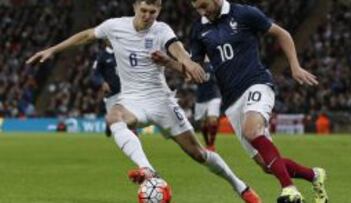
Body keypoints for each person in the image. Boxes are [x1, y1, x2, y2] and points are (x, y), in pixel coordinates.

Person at [26, 0, 261, 202]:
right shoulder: (115, 26)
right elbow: (87, 35)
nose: (148, 16)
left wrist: (186, 61)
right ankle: (147, 169)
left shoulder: (161, 30)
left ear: (159, 10)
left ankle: (241, 186)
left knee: (198, 153)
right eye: (144, 10)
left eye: (153, 11)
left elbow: (175, 47)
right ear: (135, 7)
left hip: (162, 101)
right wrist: (53, 50)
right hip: (132, 100)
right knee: (114, 117)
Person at [187, 0, 328, 202]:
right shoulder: (199, 29)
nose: (202, 11)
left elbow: (282, 34)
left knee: (251, 130)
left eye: (204, 5)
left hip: (257, 83)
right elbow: (195, 68)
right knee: (265, 164)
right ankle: (314, 175)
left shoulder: (244, 13)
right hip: (231, 100)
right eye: (197, 8)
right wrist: (174, 63)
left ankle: (289, 189)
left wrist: (295, 66)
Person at [90, 44, 121, 137]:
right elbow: (94, 74)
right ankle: (109, 123)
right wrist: (102, 82)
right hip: (112, 92)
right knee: (113, 120)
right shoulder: (102, 56)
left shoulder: (123, 51)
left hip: (126, 90)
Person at [194, 59, 221, 151]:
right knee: (202, 124)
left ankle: (211, 144)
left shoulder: (215, 61)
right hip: (201, 97)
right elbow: (188, 78)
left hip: (214, 95)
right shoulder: (195, 63)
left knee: (213, 120)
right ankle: (207, 144)